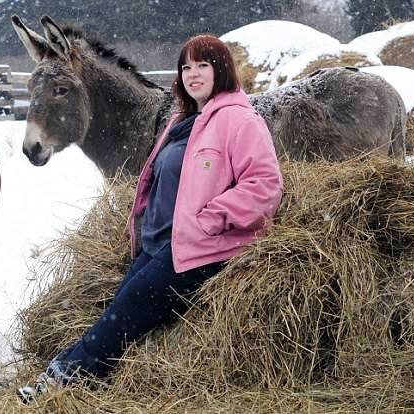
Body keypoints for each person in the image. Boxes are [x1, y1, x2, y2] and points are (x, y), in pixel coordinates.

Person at [17, 34, 283, 403]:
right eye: (186, 66)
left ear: (221, 70)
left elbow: (265, 184)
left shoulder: (239, 120)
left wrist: (211, 220)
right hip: (162, 244)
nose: (193, 74)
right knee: (119, 308)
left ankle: (60, 381)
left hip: (201, 248)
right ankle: (76, 378)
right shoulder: (181, 119)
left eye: (203, 66)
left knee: (127, 311)